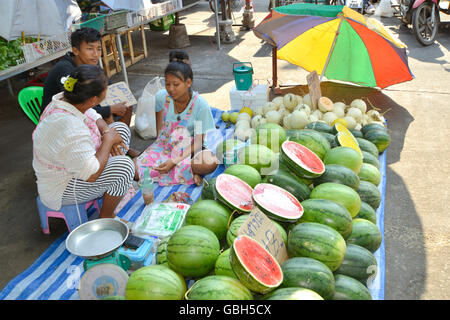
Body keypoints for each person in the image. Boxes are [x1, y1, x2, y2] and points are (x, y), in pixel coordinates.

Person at [33, 65, 136, 219]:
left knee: (119, 129)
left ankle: (114, 184)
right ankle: (105, 219)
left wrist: (108, 132)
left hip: (76, 164)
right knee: (125, 167)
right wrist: (108, 140)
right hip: (63, 186)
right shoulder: (69, 126)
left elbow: (94, 115)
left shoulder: (68, 99)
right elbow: (92, 175)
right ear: (94, 99)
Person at [134, 61, 218, 186]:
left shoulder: (200, 106)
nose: (170, 89)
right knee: (132, 170)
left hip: (191, 150)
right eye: (167, 84)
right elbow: (160, 132)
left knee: (210, 162)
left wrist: (174, 161)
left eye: (176, 84)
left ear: (188, 83)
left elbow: (199, 141)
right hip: (165, 147)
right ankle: (186, 172)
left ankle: (182, 169)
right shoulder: (162, 97)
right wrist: (158, 149)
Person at [42, 27, 131, 126]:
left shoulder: (90, 63)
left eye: (98, 49)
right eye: (90, 49)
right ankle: (114, 137)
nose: (96, 54)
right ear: (75, 50)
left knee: (127, 102)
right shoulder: (64, 69)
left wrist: (116, 102)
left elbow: (107, 86)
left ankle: (121, 139)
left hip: (85, 106)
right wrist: (109, 109)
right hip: (62, 117)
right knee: (107, 114)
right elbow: (76, 105)